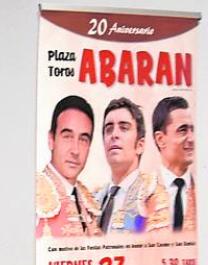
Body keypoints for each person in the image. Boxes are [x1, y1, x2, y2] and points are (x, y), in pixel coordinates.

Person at [94, 97, 169, 233]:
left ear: (140, 146)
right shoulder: (94, 198)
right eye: (109, 129)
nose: (114, 135)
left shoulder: (153, 197)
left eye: (123, 128)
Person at [36, 95, 102, 238]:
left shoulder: (89, 203)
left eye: (83, 139)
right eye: (67, 136)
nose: (75, 151)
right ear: (51, 140)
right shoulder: (33, 194)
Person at [152, 95, 196, 233]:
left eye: (192, 130)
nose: (192, 138)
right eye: (183, 130)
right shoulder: (142, 195)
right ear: (160, 139)